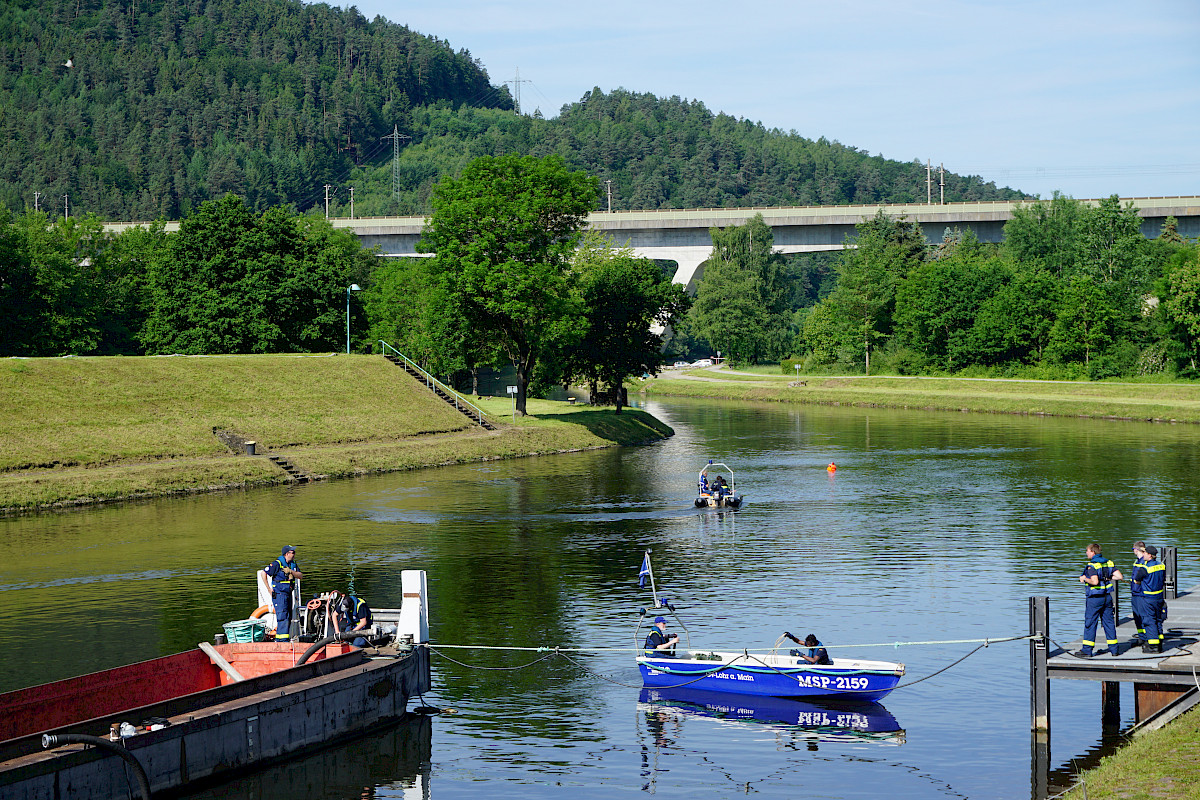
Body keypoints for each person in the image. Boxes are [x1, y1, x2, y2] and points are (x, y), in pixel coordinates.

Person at [1075, 543, 1123, 658]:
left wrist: (1084, 579)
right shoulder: (1108, 562)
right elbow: (1119, 576)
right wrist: (1107, 578)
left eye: (1087, 551)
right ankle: (1114, 650)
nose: (1086, 553)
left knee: (1090, 624)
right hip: (1107, 597)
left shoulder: (1092, 565)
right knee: (1109, 623)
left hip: (1095, 599)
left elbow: (1095, 581)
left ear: (1093, 552)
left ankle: (1087, 651)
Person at [265, 545, 303, 642]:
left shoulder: (293, 564)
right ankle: (282, 641)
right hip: (279, 594)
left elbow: (300, 575)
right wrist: (269, 589)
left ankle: (283, 639)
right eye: (292, 552)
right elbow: (263, 573)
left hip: (288, 593)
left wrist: (291, 571)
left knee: (288, 616)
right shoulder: (277, 564)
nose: (294, 554)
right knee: (282, 617)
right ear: (287, 554)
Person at [1133, 546, 1167, 654]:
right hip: (1159, 597)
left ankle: (1153, 646)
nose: (1144, 555)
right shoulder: (1161, 566)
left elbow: (1136, 581)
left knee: (1149, 621)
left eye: (1145, 553)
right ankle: (1159, 642)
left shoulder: (1145, 568)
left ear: (1150, 555)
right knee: (1158, 620)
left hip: (1148, 598)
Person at [1128, 542, 1149, 645]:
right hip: (1135, 592)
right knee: (1137, 616)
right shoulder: (1137, 561)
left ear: (1136, 550)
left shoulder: (1144, 562)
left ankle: (1146, 637)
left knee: (1143, 615)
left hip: (1141, 593)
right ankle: (1141, 637)